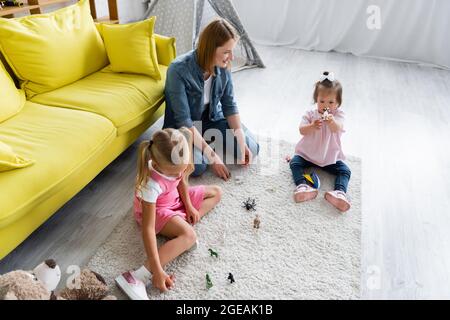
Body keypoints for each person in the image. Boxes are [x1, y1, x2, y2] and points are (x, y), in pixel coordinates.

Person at [115, 128, 222, 300]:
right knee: (190, 236)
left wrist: (189, 206)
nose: (179, 174)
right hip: (156, 212)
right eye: (174, 172)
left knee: (216, 192)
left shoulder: (177, 163)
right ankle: (137, 276)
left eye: (182, 169)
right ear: (157, 165)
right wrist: (157, 271)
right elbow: (148, 230)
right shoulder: (150, 184)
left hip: (175, 201)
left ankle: (181, 228)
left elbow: (180, 182)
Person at [163, 18, 259, 180]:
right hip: (184, 127)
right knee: (198, 167)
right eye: (226, 52)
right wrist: (213, 157)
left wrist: (241, 143)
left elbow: (229, 106)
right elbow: (184, 122)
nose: (232, 57)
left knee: (252, 148)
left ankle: (207, 141)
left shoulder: (223, 66)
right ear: (210, 49)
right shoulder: (178, 70)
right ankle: (204, 144)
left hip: (212, 118)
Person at [289, 71, 352, 212]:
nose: (326, 106)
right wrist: (311, 126)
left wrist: (331, 121)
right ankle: (303, 186)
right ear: (316, 100)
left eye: (331, 102)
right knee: (294, 163)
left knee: (345, 171)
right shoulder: (310, 114)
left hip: (329, 157)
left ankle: (340, 193)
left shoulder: (339, 115)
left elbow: (338, 128)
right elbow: (301, 130)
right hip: (309, 154)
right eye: (321, 101)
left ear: (337, 103)